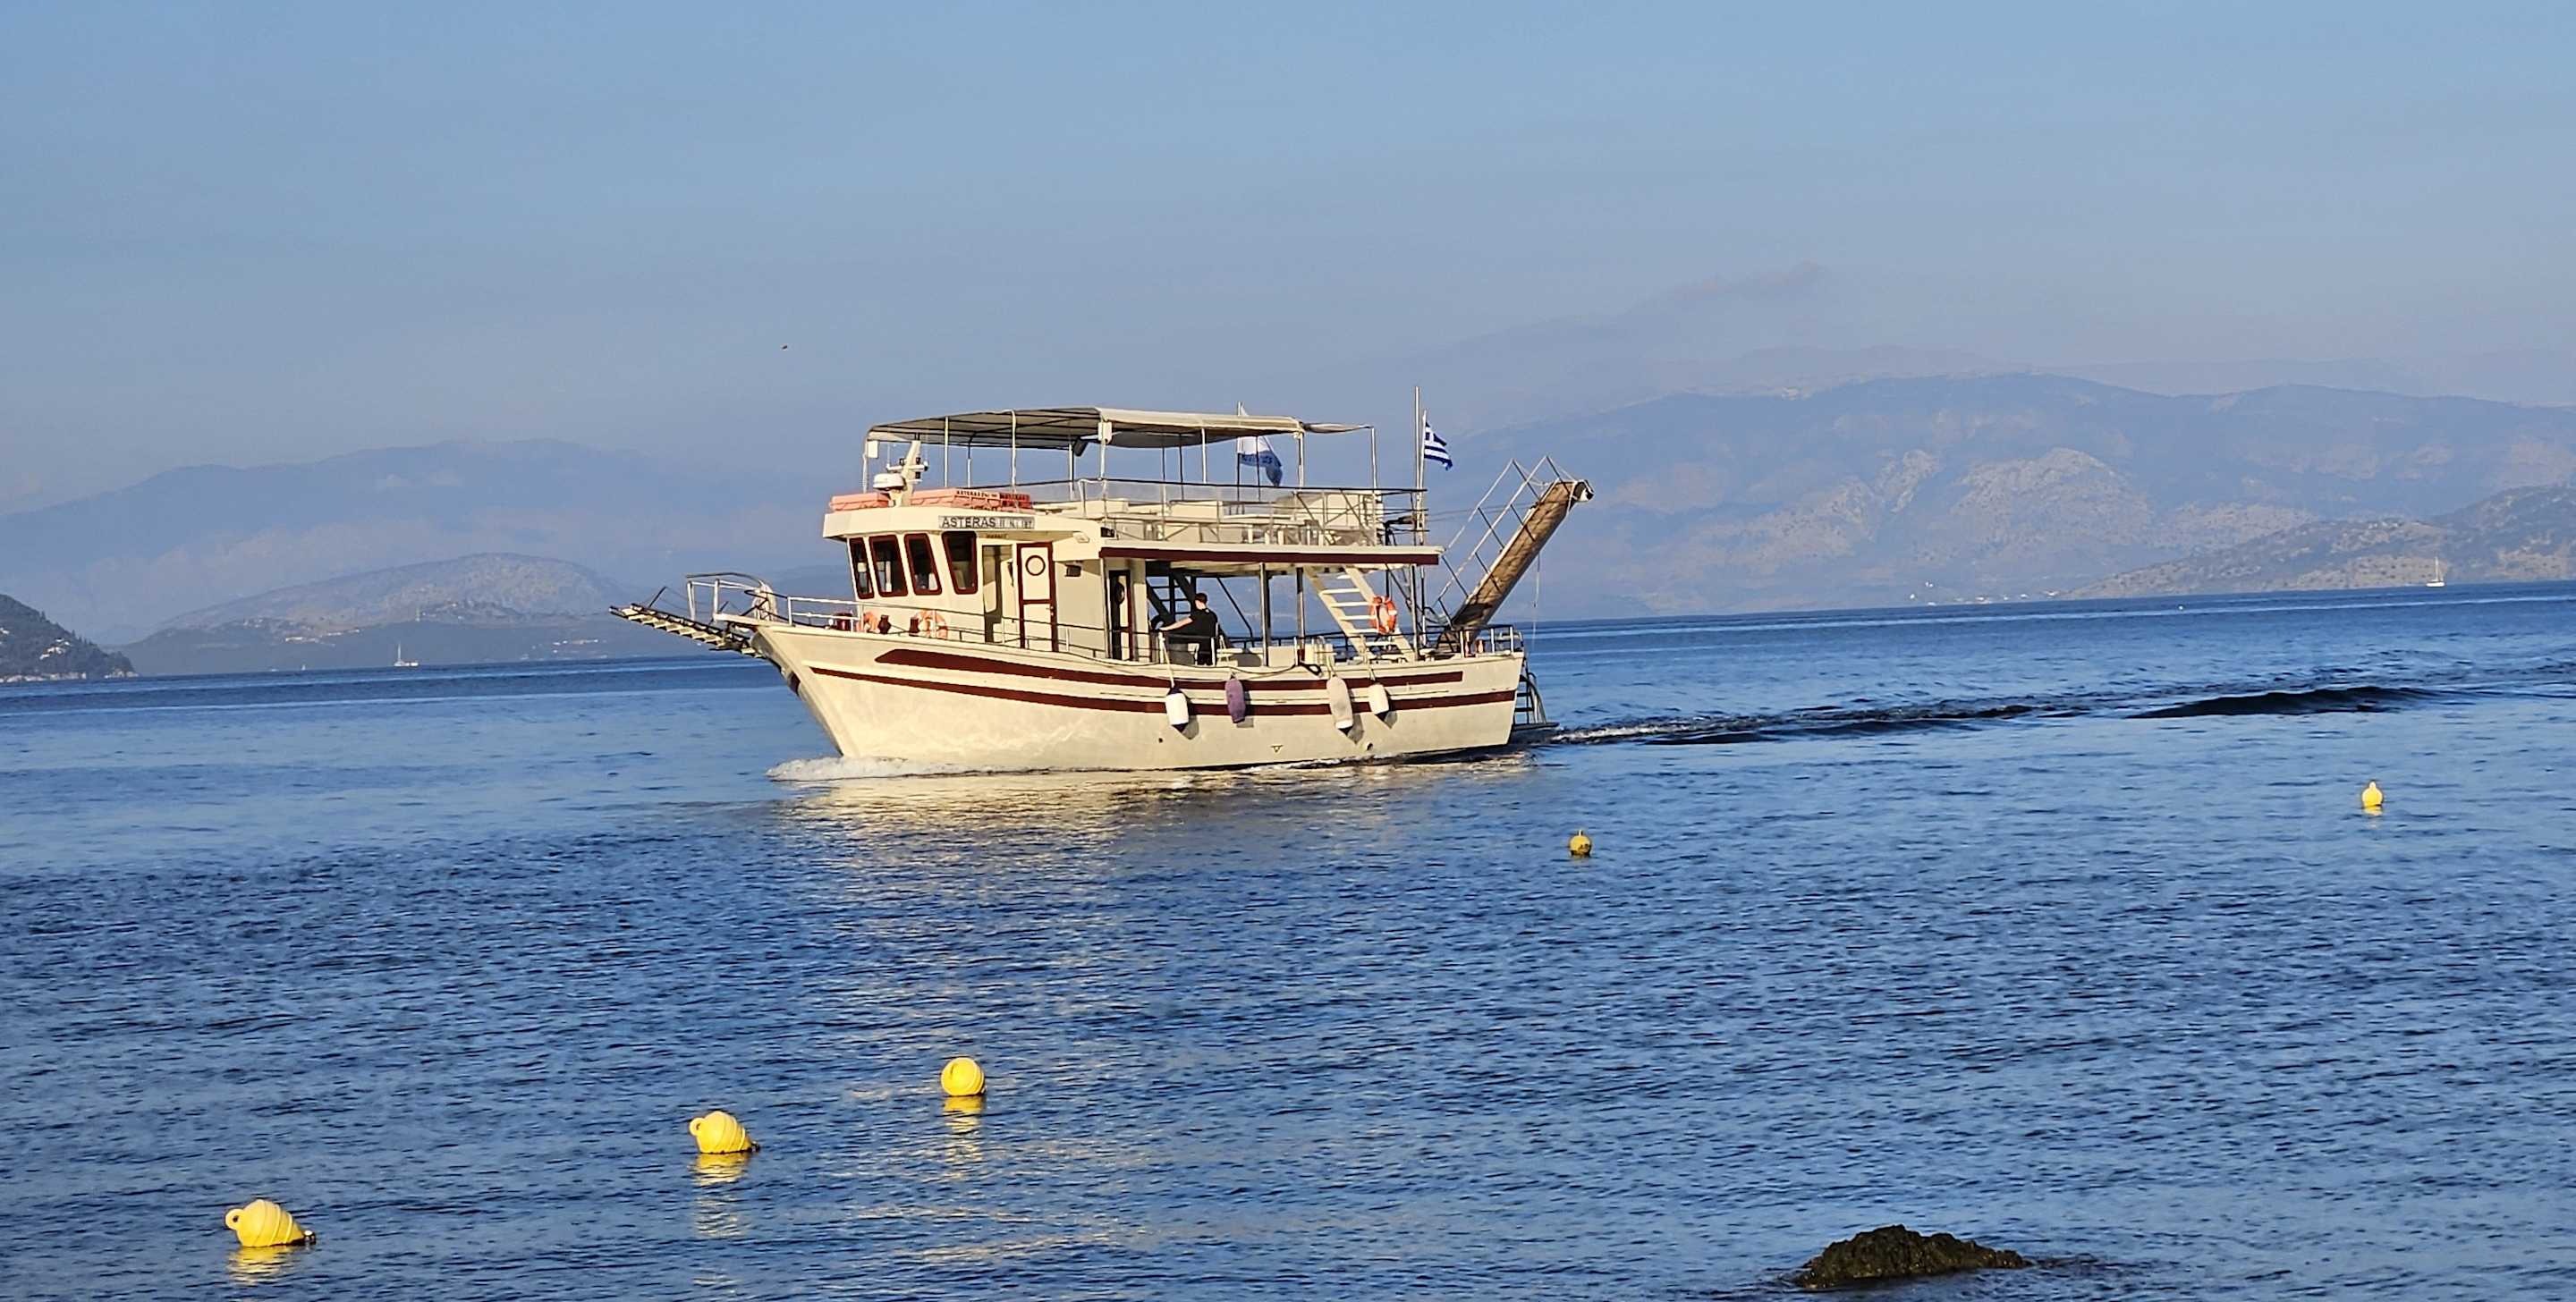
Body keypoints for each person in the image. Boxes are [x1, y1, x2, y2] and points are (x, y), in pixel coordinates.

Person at [1158, 592, 1222, 664]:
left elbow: (1182, 623)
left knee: (1200, 664)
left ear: (1197, 602)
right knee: (1211, 663)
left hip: (1201, 643)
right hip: (1211, 644)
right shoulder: (1213, 615)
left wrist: (1166, 628)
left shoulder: (1197, 614)